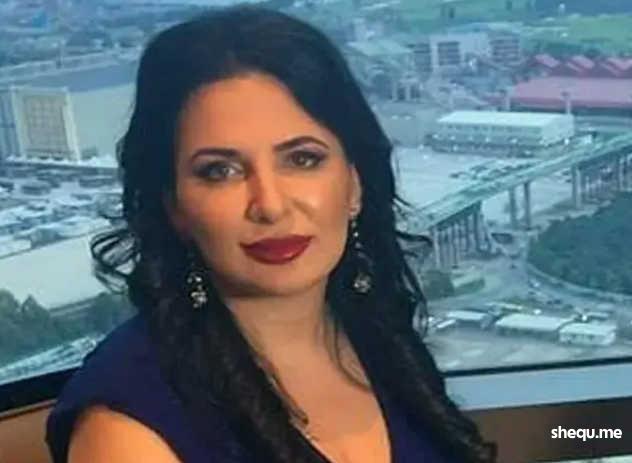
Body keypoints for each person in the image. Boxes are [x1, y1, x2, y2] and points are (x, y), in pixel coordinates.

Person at [46, 5, 497, 463]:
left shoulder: (378, 334)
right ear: (174, 206)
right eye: (219, 171)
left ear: (354, 182)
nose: (270, 205)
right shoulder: (126, 433)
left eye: (302, 159)